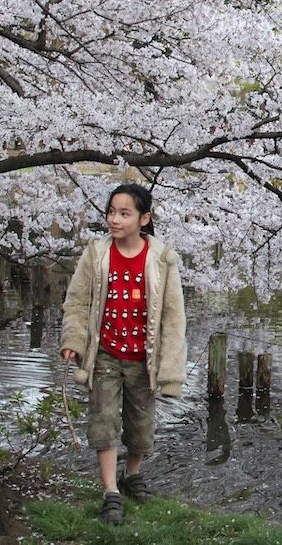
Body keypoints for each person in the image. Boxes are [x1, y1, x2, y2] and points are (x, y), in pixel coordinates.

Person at [60, 183, 187, 525]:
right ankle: (110, 490)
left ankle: (132, 473)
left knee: (141, 427)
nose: (114, 220)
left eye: (124, 213)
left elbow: (173, 316)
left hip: (143, 359)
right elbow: (77, 301)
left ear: (144, 219)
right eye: (111, 212)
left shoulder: (161, 258)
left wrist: (170, 369)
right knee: (103, 421)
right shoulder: (96, 254)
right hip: (104, 353)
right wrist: (74, 339)